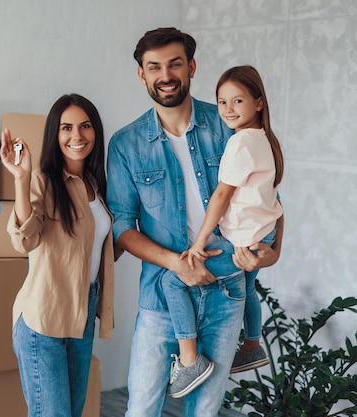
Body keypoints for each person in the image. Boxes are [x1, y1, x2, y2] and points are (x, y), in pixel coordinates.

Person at [106, 27, 284, 416]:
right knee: (141, 408)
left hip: (226, 293)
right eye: (154, 67)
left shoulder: (230, 123)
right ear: (142, 74)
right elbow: (122, 226)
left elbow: (271, 198)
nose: (165, 75)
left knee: (204, 411)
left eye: (174, 64)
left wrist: (270, 255)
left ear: (191, 67)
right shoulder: (125, 144)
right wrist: (177, 265)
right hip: (161, 296)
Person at [162, 64, 285, 395]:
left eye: (238, 101)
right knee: (247, 286)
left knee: (172, 279)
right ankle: (252, 346)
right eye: (222, 102)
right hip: (262, 236)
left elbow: (220, 195)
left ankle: (190, 362)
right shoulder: (265, 140)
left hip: (243, 243)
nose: (228, 110)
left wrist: (199, 243)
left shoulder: (241, 143)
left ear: (259, 103)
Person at [0, 93, 118, 417]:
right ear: (55, 134)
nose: (76, 136)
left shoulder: (96, 184)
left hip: (82, 315)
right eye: (66, 128)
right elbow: (24, 240)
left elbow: (101, 249)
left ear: (96, 131)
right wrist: (21, 179)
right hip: (44, 317)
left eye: (85, 126)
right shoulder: (44, 183)